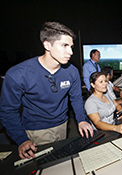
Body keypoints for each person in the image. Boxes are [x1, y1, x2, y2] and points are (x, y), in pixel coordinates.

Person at [0, 22, 93, 159]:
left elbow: (76, 98)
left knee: (61, 160)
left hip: (63, 125)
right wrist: (21, 139)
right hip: (36, 129)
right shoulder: (17, 74)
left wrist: (81, 120)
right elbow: (8, 111)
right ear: (47, 45)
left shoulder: (72, 71)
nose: (71, 52)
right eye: (64, 46)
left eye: (71, 46)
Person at [84, 72, 122, 136]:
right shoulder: (90, 102)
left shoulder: (106, 94)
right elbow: (98, 123)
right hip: (101, 134)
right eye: (101, 82)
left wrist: (121, 111)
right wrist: (116, 128)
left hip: (113, 128)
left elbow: (117, 105)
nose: (105, 84)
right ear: (93, 85)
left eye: (105, 81)